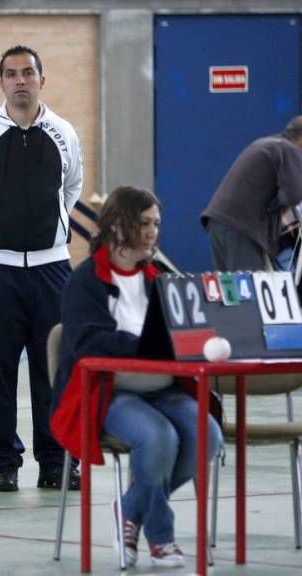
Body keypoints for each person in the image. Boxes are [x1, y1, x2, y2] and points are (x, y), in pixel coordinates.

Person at [50, 186, 223, 568]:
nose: (152, 232)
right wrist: (141, 345)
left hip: (163, 386)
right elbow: (88, 342)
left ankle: (129, 508)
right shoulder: (83, 282)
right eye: (143, 223)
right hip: (111, 391)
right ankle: (161, 536)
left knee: (208, 435)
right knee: (158, 437)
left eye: (156, 224)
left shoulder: (160, 278)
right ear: (116, 225)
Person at [0, 44, 83, 492]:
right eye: (11, 74)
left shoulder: (63, 131)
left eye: (28, 72)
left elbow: (72, 186)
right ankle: (3, 462)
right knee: (0, 370)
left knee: (53, 368)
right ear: (2, 82)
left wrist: (50, 230)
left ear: (42, 79)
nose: (20, 80)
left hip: (52, 270)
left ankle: (57, 460)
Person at [201, 115, 302, 271]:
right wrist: (275, 207)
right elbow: (295, 194)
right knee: (247, 292)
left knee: (231, 293)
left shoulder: (266, 144)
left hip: (219, 224)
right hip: (241, 230)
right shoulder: (290, 149)